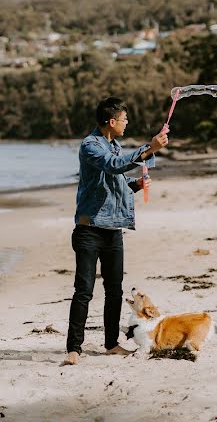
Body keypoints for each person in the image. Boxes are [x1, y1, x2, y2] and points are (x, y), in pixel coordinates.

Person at [64, 97, 169, 365]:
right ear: (111, 122)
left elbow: (116, 182)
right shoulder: (90, 146)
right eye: (124, 119)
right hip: (89, 230)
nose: (126, 123)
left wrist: (137, 184)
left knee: (114, 290)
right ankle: (74, 349)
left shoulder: (114, 145)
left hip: (113, 230)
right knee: (84, 291)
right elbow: (113, 165)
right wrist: (149, 148)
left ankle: (111, 343)